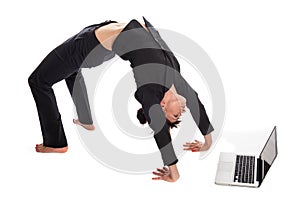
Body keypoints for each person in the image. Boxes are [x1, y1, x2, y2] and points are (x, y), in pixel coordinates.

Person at [28, 17, 214, 182]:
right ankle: (86, 120)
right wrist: (207, 143)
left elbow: (159, 127)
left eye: (174, 115)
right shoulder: (175, 80)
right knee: (72, 71)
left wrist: (174, 172)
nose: (181, 111)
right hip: (101, 31)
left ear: (162, 106)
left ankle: (55, 142)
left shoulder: (150, 91)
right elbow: (196, 102)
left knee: (38, 81)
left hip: (88, 45)